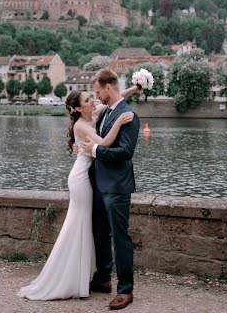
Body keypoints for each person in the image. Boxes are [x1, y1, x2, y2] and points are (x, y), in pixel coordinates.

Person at [17, 79, 140, 302]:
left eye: (93, 95)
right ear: (77, 108)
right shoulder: (82, 124)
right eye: (87, 99)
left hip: (93, 178)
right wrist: (120, 122)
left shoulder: (94, 112)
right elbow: (103, 142)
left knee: (90, 226)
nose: (92, 99)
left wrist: (136, 88)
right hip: (82, 178)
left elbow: (114, 97)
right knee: (81, 223)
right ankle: (75, 275)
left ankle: (91, 276)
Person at [82, 69, 140, 311]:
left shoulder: (129, 115)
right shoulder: (107, 111)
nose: (96, 97)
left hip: (117, 186)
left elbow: (125, 153)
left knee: (120, 237)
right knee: (100, 231)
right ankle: (104, 277)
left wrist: (94, 151)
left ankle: (125, 290)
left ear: (108, 88)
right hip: (99, 183)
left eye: (97, 92)